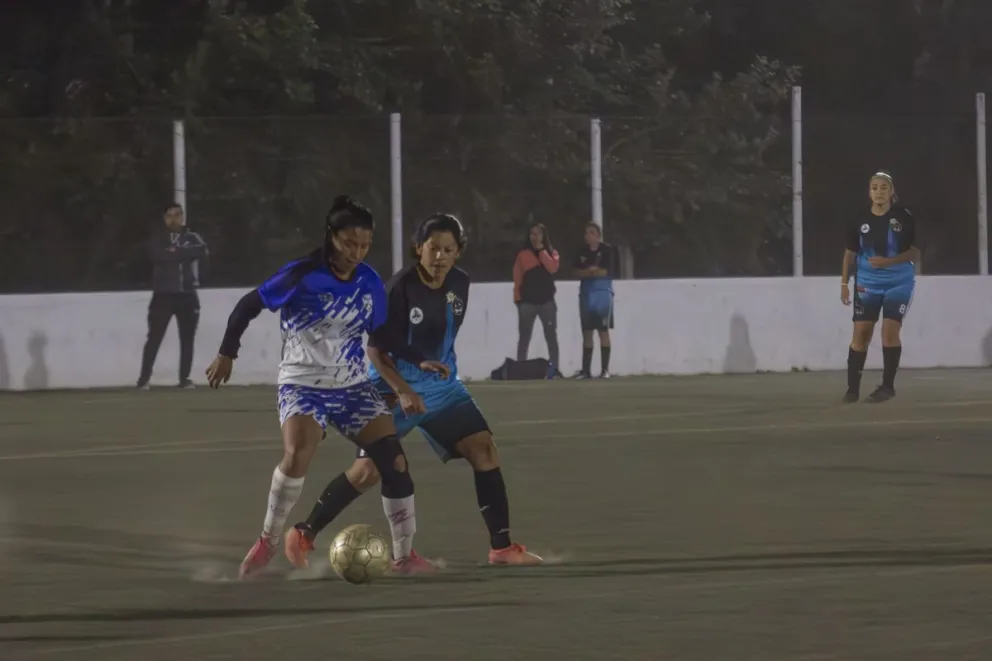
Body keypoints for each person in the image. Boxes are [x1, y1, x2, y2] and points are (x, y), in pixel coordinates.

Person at [204, 196, 448, 579]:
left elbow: (380, 332)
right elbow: (249, 305)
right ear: (332, 238)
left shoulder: (368, 280)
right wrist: (227, 352)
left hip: (351, 386)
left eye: (364, 244)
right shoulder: (301, 274)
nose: (357, 251)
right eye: (350, 243)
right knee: (298, 454)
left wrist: (417, 359)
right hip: (303, 385)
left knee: (394, 463)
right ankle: (268, 541)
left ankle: (404, 557)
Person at [286, 213, 543, 571]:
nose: (439, 256)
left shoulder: (460, 283)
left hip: (442, 388)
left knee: (484, 449)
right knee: (368, 472)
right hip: (392, 388)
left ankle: (501, 548)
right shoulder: (399, 288)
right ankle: (305, 532)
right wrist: (403, 390)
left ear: (458, 253)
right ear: (418, 248)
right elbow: (375, 349)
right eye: (433, 248)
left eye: (448, 250)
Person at [841, 171, 919, 403]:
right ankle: (852, 390)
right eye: (874, 187)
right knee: (861, 334)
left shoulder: (903, 217)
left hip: (898, 282)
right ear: (869, 192)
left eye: (884, 187)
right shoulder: (858, 219)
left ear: (891, 192)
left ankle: (887, 387)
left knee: (889, 332)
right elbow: (850, 253)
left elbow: (914, 252)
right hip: (867, 284)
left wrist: (889, 262)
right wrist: (845, 283)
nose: (879, 192)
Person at [137, 203, 208, 389]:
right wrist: (183, 254)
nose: (174, 219)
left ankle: (184, 379)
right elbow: (157, 256)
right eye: (169, 215)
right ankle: (143, 379)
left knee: (187, 338)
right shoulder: (157, 237)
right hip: (163, 294)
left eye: (177, 215)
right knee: (154, 337)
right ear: (164, 218)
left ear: (182, 216)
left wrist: (176, 252)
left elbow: (201, 251)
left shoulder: (192, 235)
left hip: (188, 294)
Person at [513, 223, 560, 372]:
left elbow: (552, 268)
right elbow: (517, 278)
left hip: (547, 301)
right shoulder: (522, 255)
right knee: (524, 338)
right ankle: (520, 369)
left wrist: (541, 251)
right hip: (527, 303)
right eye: (532, 233)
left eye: (538, 233)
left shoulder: (552, 253)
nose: (535, 237)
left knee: (551, 337)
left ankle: (554, 370)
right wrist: (518, 299)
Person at [573, 222, 616, 379]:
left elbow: (606, 271)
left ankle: (605, 370)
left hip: (602, 294)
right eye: (586, 233)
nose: (588, 236)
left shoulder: (607, 251)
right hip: (586, 294)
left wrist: (593, 272)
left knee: (603, 331)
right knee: (587, 331)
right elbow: (576, 271)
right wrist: (589, 272)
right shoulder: (581, 252)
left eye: (592, 233)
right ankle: (586, 371)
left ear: (598, 235)